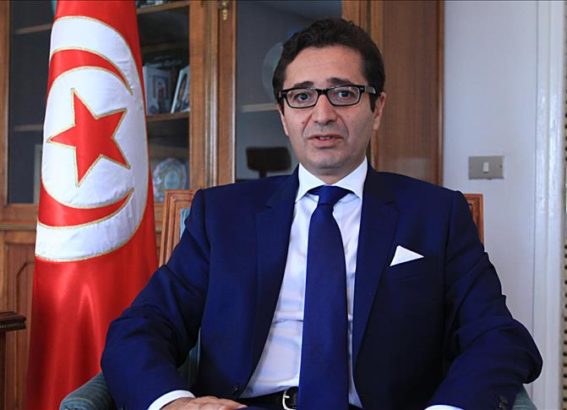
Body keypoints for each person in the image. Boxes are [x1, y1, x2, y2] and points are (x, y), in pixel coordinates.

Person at [102, 18, 542, 410]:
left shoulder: (437, 215)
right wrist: (174, 403)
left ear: (378, 108)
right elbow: (141, 328)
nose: (323, 114)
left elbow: (497, 337)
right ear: (283, 115)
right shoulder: (222, 215)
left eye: (344, 93)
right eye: (302, 96)